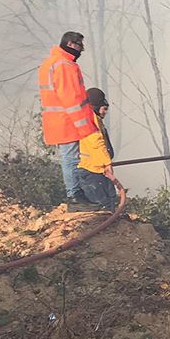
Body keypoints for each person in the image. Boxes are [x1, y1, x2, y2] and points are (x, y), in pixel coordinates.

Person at [38, 31, 98, 211]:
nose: (82, 50)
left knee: (69, 158)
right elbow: (71, 99)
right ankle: (75, 198)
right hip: (68, 121)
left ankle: (76, 195)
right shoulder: (65, 66)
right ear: (71, 44)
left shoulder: (51, 62)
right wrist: (85, 127)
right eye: (80, 46)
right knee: (70, 159)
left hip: (59, 120)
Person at [76, 88, 119, 211]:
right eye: (104, 109)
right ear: (95, 106)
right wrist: (107, 163)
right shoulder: (89, 121)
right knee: (102, 208)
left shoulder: (95, 120)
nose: (105, 112)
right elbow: (97, 142)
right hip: (92, 172)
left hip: (98, 170)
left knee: (110, 203)